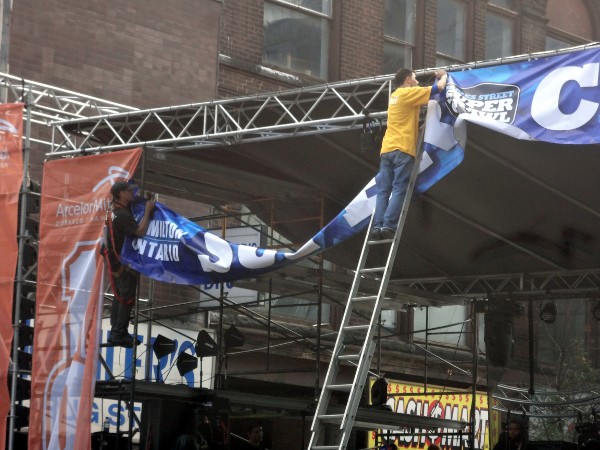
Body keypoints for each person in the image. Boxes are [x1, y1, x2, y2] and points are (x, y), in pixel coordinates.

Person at [370, 68, 448, 241]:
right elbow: (438, 89)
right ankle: (388, 225)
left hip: (387, 149)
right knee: (399, 188)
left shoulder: (394, 97)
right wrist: (444, 76)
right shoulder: (408, 93)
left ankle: (377, 226)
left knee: (383, 190)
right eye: (415, 79)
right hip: (403, 148)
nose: (418, 82)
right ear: (407, 80)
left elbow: (406, 118)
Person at [105, 181, 155, 347]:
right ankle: (119, 333)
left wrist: (145, 199)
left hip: (115, 260)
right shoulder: (122, 216)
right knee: (126, 298)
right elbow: (140, 231)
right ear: (121, 194)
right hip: (123, 262)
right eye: (129, 191)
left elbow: (136, 201)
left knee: (119, 298)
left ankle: (116, 332)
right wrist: (148, 211)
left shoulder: (113, 209)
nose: (132, 193)